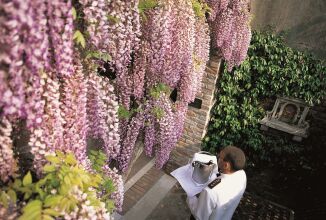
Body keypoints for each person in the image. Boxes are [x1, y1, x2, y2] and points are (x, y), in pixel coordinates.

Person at [187, 146, 247, 220]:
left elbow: (199, 216)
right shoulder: (242, 175)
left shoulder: (210, 191)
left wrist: (190, 195)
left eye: (220, 157)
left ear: (226, 165)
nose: (217, 158)